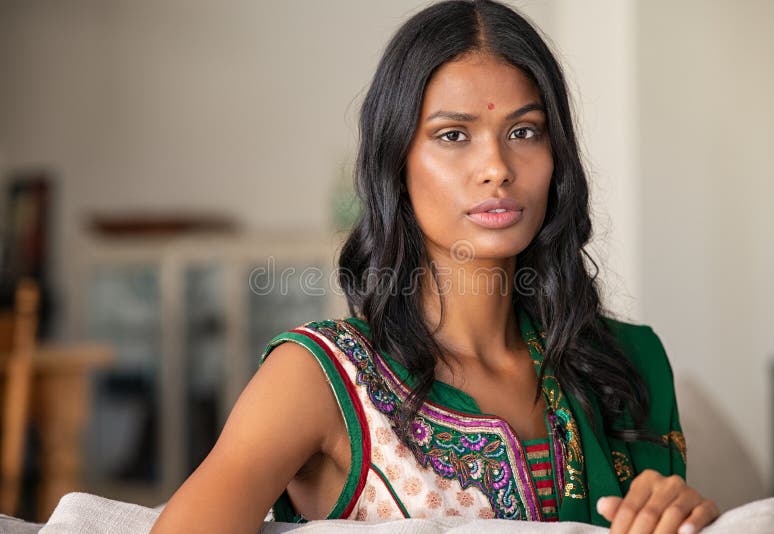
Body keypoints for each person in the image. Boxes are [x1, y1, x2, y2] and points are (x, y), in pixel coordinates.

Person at [151, 1, 719, 532]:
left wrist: (685, 515)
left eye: (524, 132)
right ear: (395, 164)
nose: (496, 167)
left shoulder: (623, 366)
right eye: (453, 135)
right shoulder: (317, 378)